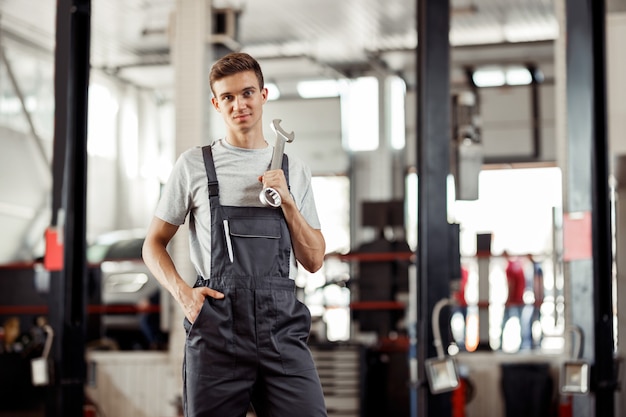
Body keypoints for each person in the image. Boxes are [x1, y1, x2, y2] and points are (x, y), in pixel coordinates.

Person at [142, 52, 328, 417]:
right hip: (217, 332)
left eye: (247, 93)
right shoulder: (194, 166)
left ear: (263, 94)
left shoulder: (294, 169)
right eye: (227, 97)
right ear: (216, 103)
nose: (239, 104)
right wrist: (185, 296)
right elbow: (152, 244)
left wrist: (287, 201)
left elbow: (314, 259)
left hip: (281, 331)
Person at [500, 251, 526, 350]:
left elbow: (511, 285)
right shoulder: (517, 266)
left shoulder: (509, 268)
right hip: (520, 299)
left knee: (504, 322)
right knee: (521, 323)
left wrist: (508, 299)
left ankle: (500, 344)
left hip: (514, 300)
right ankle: (523, 345)